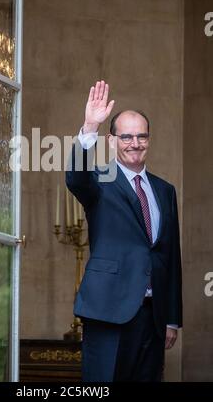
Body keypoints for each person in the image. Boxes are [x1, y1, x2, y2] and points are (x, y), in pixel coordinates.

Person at [66, 80, 183, 382]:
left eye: (142, 136)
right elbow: (75, 179)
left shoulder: (164, 190)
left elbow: (170, 256)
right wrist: (89, 127)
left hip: (153, 316)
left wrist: (172, 317)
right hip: (108, 310)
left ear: (149, 140)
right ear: (112, 140)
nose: (135, 143)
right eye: (127, 136)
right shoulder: (99, 180)